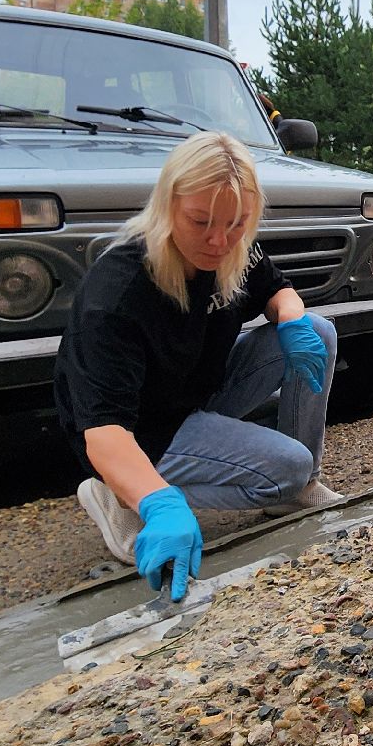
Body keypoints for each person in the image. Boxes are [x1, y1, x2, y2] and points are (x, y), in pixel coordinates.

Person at [53, 131, 343, 601]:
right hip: (137, 432)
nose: (219, 240)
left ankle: (298, 488)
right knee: (286, 465)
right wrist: (159, 502)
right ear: (168, 204)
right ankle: (124, 492)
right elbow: (103, 431)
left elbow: (278, 289)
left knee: (318, 330)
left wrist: (290, 319)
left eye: (237, 224)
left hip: (194, 392)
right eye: (201, 221)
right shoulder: (119, 292)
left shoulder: (233, 248)